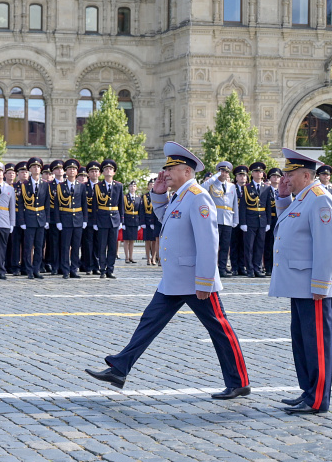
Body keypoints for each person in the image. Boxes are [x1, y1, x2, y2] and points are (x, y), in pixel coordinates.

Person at [85, 141, 250, 400]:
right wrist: (159, 194)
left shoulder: (198, 196)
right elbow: (167, 219)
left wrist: (205, 281)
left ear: (186, 171)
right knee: (149, 321)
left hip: (194, 280)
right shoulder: (181, 196)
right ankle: (119, 368)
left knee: (220, 328)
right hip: (175, 279)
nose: (166, 173)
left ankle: (239, 382)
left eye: (171, 169)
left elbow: (209, 242)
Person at [270, 149, 332, 414]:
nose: (285, 178)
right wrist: (283, 197)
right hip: (299, 285)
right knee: (302, 342)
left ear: (306, 175)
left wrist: (321, 285)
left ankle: (318, 399)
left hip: (314, 286)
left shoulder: (320, 199)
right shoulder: (303, 197)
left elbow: (326, 246)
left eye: (290, 174)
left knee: (317, 344)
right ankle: (308, 391)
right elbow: (288, 223)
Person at [201, 162, 237, 278]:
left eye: (226, 172)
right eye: (222, 171)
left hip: (228, 219)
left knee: (225, 246)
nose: (224, 174)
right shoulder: (212, 184)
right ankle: (212, 268)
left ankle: (222, 268)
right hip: (215, 219)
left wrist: (235, 219)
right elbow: (202, 188)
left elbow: (234, 204)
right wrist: (214, 177)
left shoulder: (232, 186)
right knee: (214, 246)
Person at [54, 159, 88, 278]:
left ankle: (74, 269)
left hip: (78, 219)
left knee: (76, 246)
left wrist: (85, 220)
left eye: (74, 169)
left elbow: (84, 204)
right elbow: (57, 205)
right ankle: (65, 270)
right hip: (65, 219)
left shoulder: (81, 186)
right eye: (69, 169)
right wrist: (58, 221)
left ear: (77, 172)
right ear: (66, 171)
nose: (72, 171)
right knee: (65, 246)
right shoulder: (60, 186)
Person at [91, 159, 124, 278]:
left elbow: (121, 204)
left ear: (114, 172)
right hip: (102, 218)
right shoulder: (98, 186)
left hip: (114, 218)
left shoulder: (119, 186)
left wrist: (122, 220)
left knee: (112, 246)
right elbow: (94, 205)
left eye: (110, 169)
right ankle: (102, 269)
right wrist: (95, 221)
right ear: (103, 172)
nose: (108, 171)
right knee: (102, 245)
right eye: (106, 169)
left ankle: (110, 269)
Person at [20, 157, 50, 279]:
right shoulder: (25, 185)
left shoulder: (45, 184)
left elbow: (47, 204)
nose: (36, 169)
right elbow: (21, 204)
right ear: (30, 170)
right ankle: (29, 270)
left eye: (38, 167)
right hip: (29, 218)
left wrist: (47, 220)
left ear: (40, 169)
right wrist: (22, 221)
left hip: (41, 219)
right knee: (28, 247)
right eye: (33, 167)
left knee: (39, 246)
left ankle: (36, 269)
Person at [239, 161, 269, 277]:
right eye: (256, 171)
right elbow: (242, 206)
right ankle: (250, 269)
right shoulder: (246, 188)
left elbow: (268, 207)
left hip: (262, 221)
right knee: (249, 247)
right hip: (250, 220)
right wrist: (243, 222)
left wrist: (268, 222)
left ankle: (257, 268)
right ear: (252, 174)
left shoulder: (266, 188)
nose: (258, 173)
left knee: (259, 246)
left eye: (260, 171)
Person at [263, 167, 282, 276]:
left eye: (278, 176)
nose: (275, 178)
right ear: (270, 178)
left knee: (279, 244)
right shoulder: (266, 190)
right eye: (273, 176)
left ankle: (278, 266)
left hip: (280, 219)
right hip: (270, 219)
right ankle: (268, 267)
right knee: (269, 244)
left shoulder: (283, 191)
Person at [230, 165, 249, 275]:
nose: (242, 177)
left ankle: (242, 266)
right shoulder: (232, 188)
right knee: (234, 244)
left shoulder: (248, 189)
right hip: (234, 219)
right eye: (240, 175)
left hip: (245, 219)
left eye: (244, 175)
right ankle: (234, 267)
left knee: (243, 244)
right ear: (236, 177)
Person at [122, 180, 142, 264]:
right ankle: (126, 257)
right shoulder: (125, 197)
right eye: (131, 186)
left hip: (135, 221)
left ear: (136, 188)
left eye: (134, 186)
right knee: (126, 240)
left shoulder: (138, 198)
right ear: (128, 188)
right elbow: (122, 210)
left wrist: (140, 223)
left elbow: (140, 211)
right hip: (127, 220)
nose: (132, 188)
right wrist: (122, 222)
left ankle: (131, 257)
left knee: (132, 240)